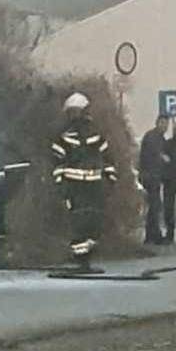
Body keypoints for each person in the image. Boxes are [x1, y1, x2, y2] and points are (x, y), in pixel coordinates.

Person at [50, 92, 117, 271]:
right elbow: (57, 163)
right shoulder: (63, 138)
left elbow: (108, 158)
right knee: (78, 223)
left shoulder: (96, 135)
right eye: (72, 113)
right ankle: (82, 260)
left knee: (94, 221)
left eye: (76, 112)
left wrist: (110, 178)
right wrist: (60, 184)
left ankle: (86, 254)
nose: (75, 116)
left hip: (94, 185)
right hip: (75, 187)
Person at [139, 115, 170, 244]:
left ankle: (151, 235)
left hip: (154, 176)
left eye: (166, 124)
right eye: (163, 123)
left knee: (154, 206)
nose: (165, 126)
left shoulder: (159, 137)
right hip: (150, 176)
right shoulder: (153, 136)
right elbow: (154, 154)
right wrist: (163, 157)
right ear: (157, 123)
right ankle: (154, 235)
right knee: (154, 205)